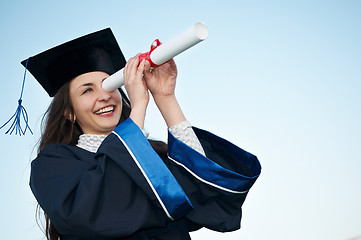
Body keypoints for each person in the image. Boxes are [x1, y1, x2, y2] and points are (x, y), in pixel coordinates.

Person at [24, 28, 261, 240]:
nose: (105, 95)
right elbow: (93, 211)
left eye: (109, 85)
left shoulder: (151, 156)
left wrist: (165, 97)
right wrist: (138, 108)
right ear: (69, 112)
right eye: (87, 90)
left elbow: (209, 191)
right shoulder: (53, 165)